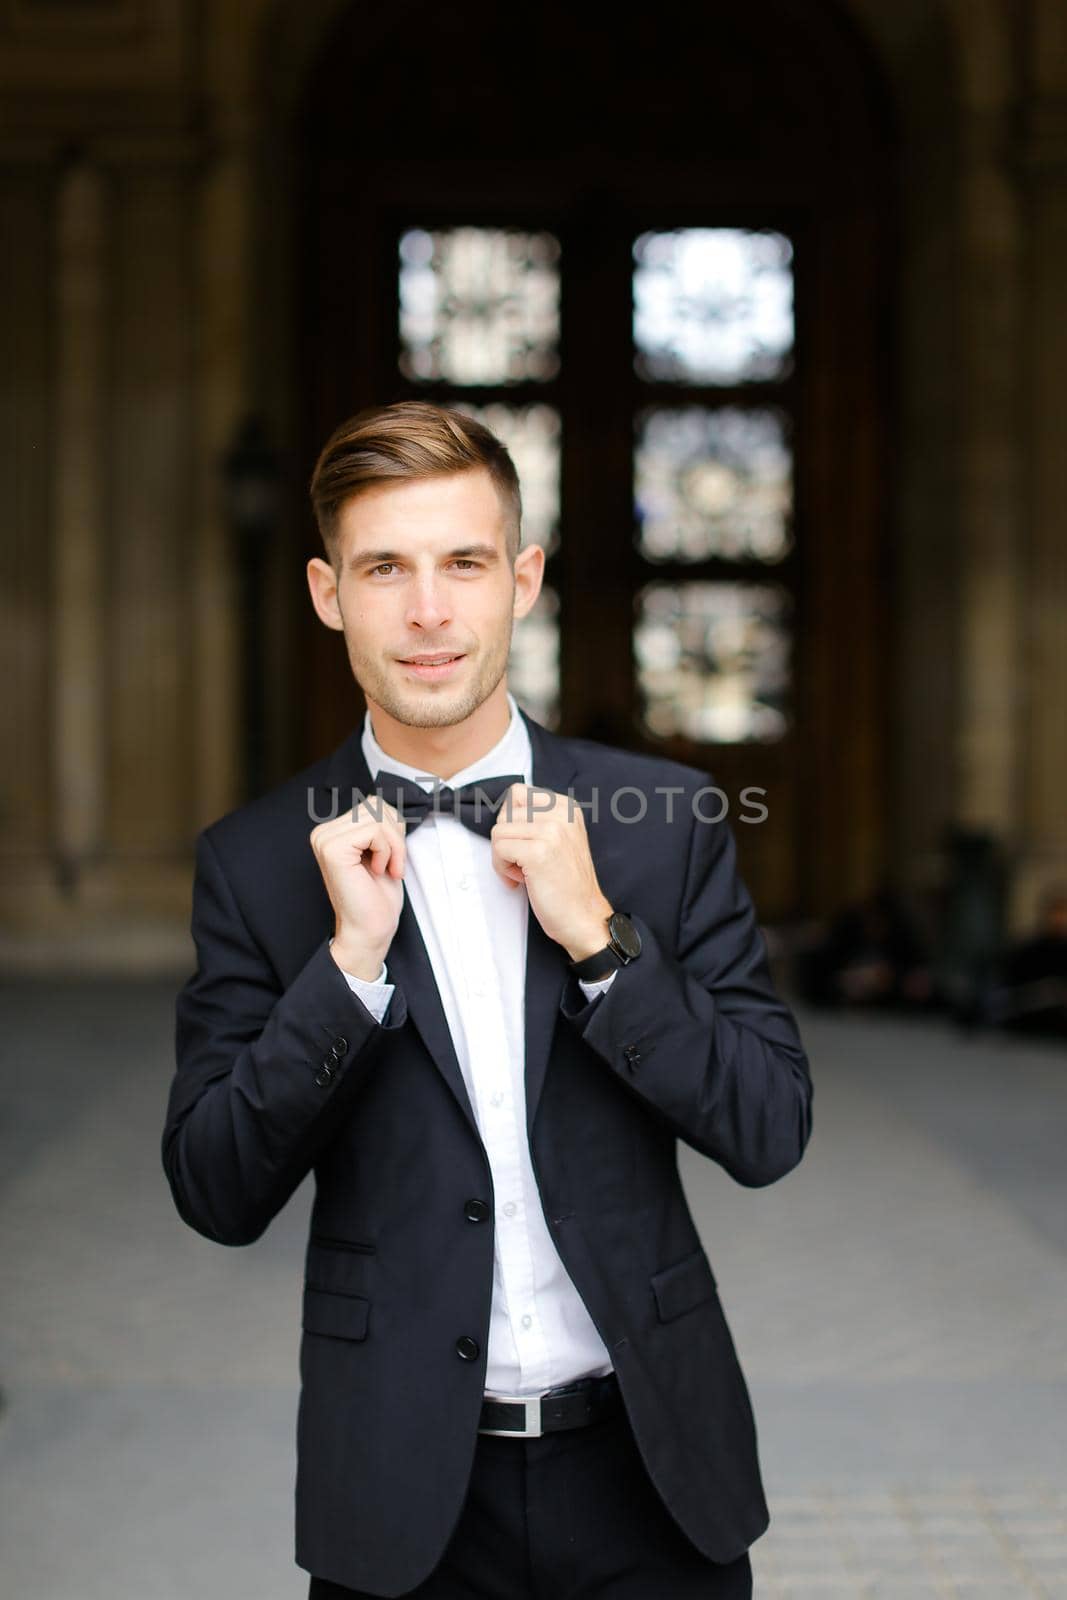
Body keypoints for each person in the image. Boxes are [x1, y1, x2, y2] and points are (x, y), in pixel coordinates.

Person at [162, 401, 813, 1599]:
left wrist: (599, 940)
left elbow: (768, 1128)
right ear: (326, 591)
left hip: (653, 1476)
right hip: (404, 1500)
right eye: (383, 569)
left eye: (462, 562)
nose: (425, 611)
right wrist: (346, 972)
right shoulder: (254, 862)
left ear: (520, 579)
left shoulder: (663, 824)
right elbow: (214, 1188)